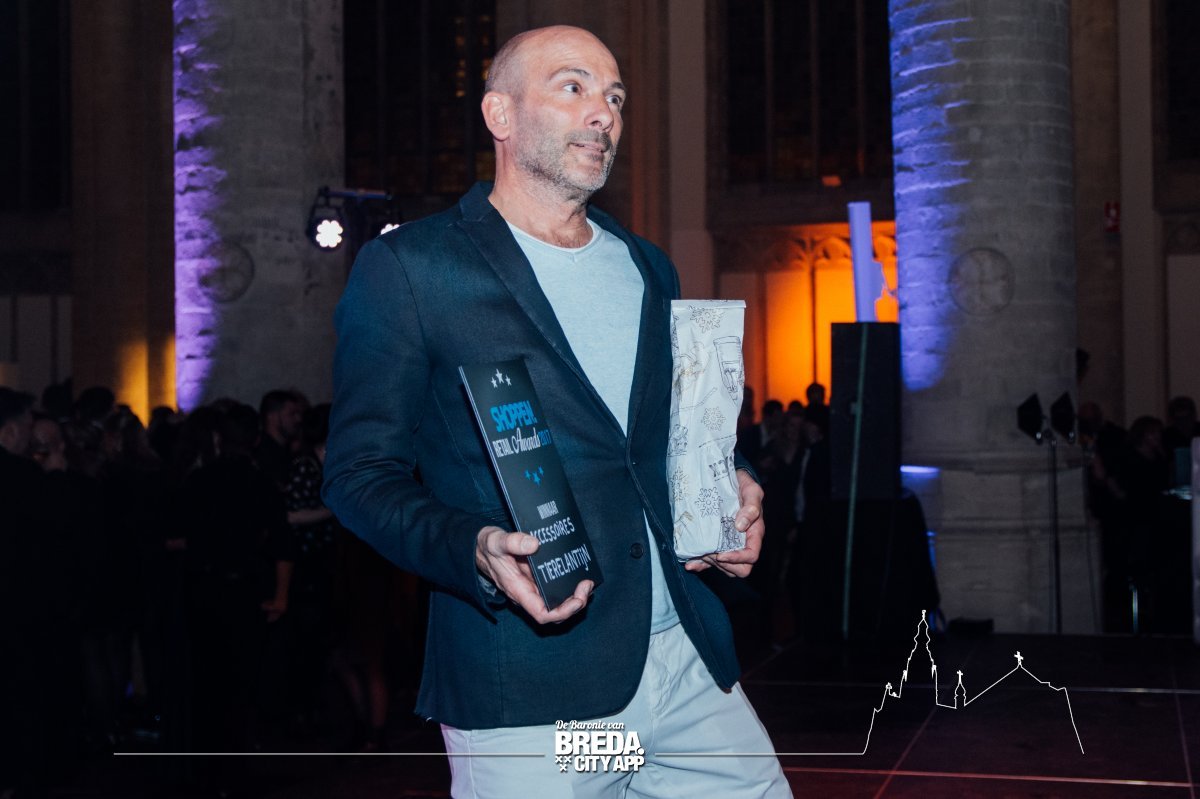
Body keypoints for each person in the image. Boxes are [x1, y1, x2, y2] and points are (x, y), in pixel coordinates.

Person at [323, 25, 790, 797]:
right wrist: (473, 547)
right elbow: (358, 475)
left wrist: (731, 481)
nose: (604, 112)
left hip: (684, 665)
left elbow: (663, 436)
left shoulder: (648, 266)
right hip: (540, 694)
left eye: (615, 97)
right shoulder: (413, 269)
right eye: (573, 87)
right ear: (500, 114)